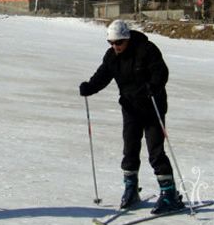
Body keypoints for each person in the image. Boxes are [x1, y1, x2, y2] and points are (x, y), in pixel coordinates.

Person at [79, 20, 184, 214]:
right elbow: (103, 75)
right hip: (130, 108)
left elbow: (161, 71)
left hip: (153, 107)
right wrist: (89, 87)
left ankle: (169, 194)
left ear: (127, 38)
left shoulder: (146, 49)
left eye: (118, 42)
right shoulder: (112, 57)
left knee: (156, 151)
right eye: (111, 43)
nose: (115, 47)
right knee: (130, 149)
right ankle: (131, 189)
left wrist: (154, 85)